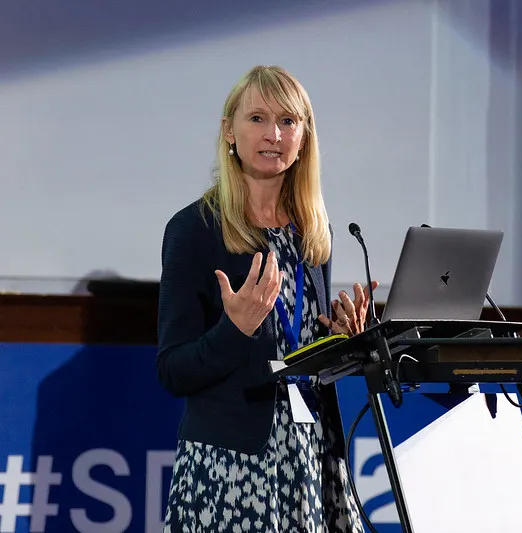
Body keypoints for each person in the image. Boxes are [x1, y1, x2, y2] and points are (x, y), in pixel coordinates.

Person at [157, 65, 376, 532]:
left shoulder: (313, 233)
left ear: (304, 136)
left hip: (312, 455)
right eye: (257, 118)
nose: (273, 134)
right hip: (231, 468)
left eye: (288, 121)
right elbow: (173, 370)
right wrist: (234, 330)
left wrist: (343, 341)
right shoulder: (194, 230)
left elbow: (302, 353)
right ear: (229, 131)